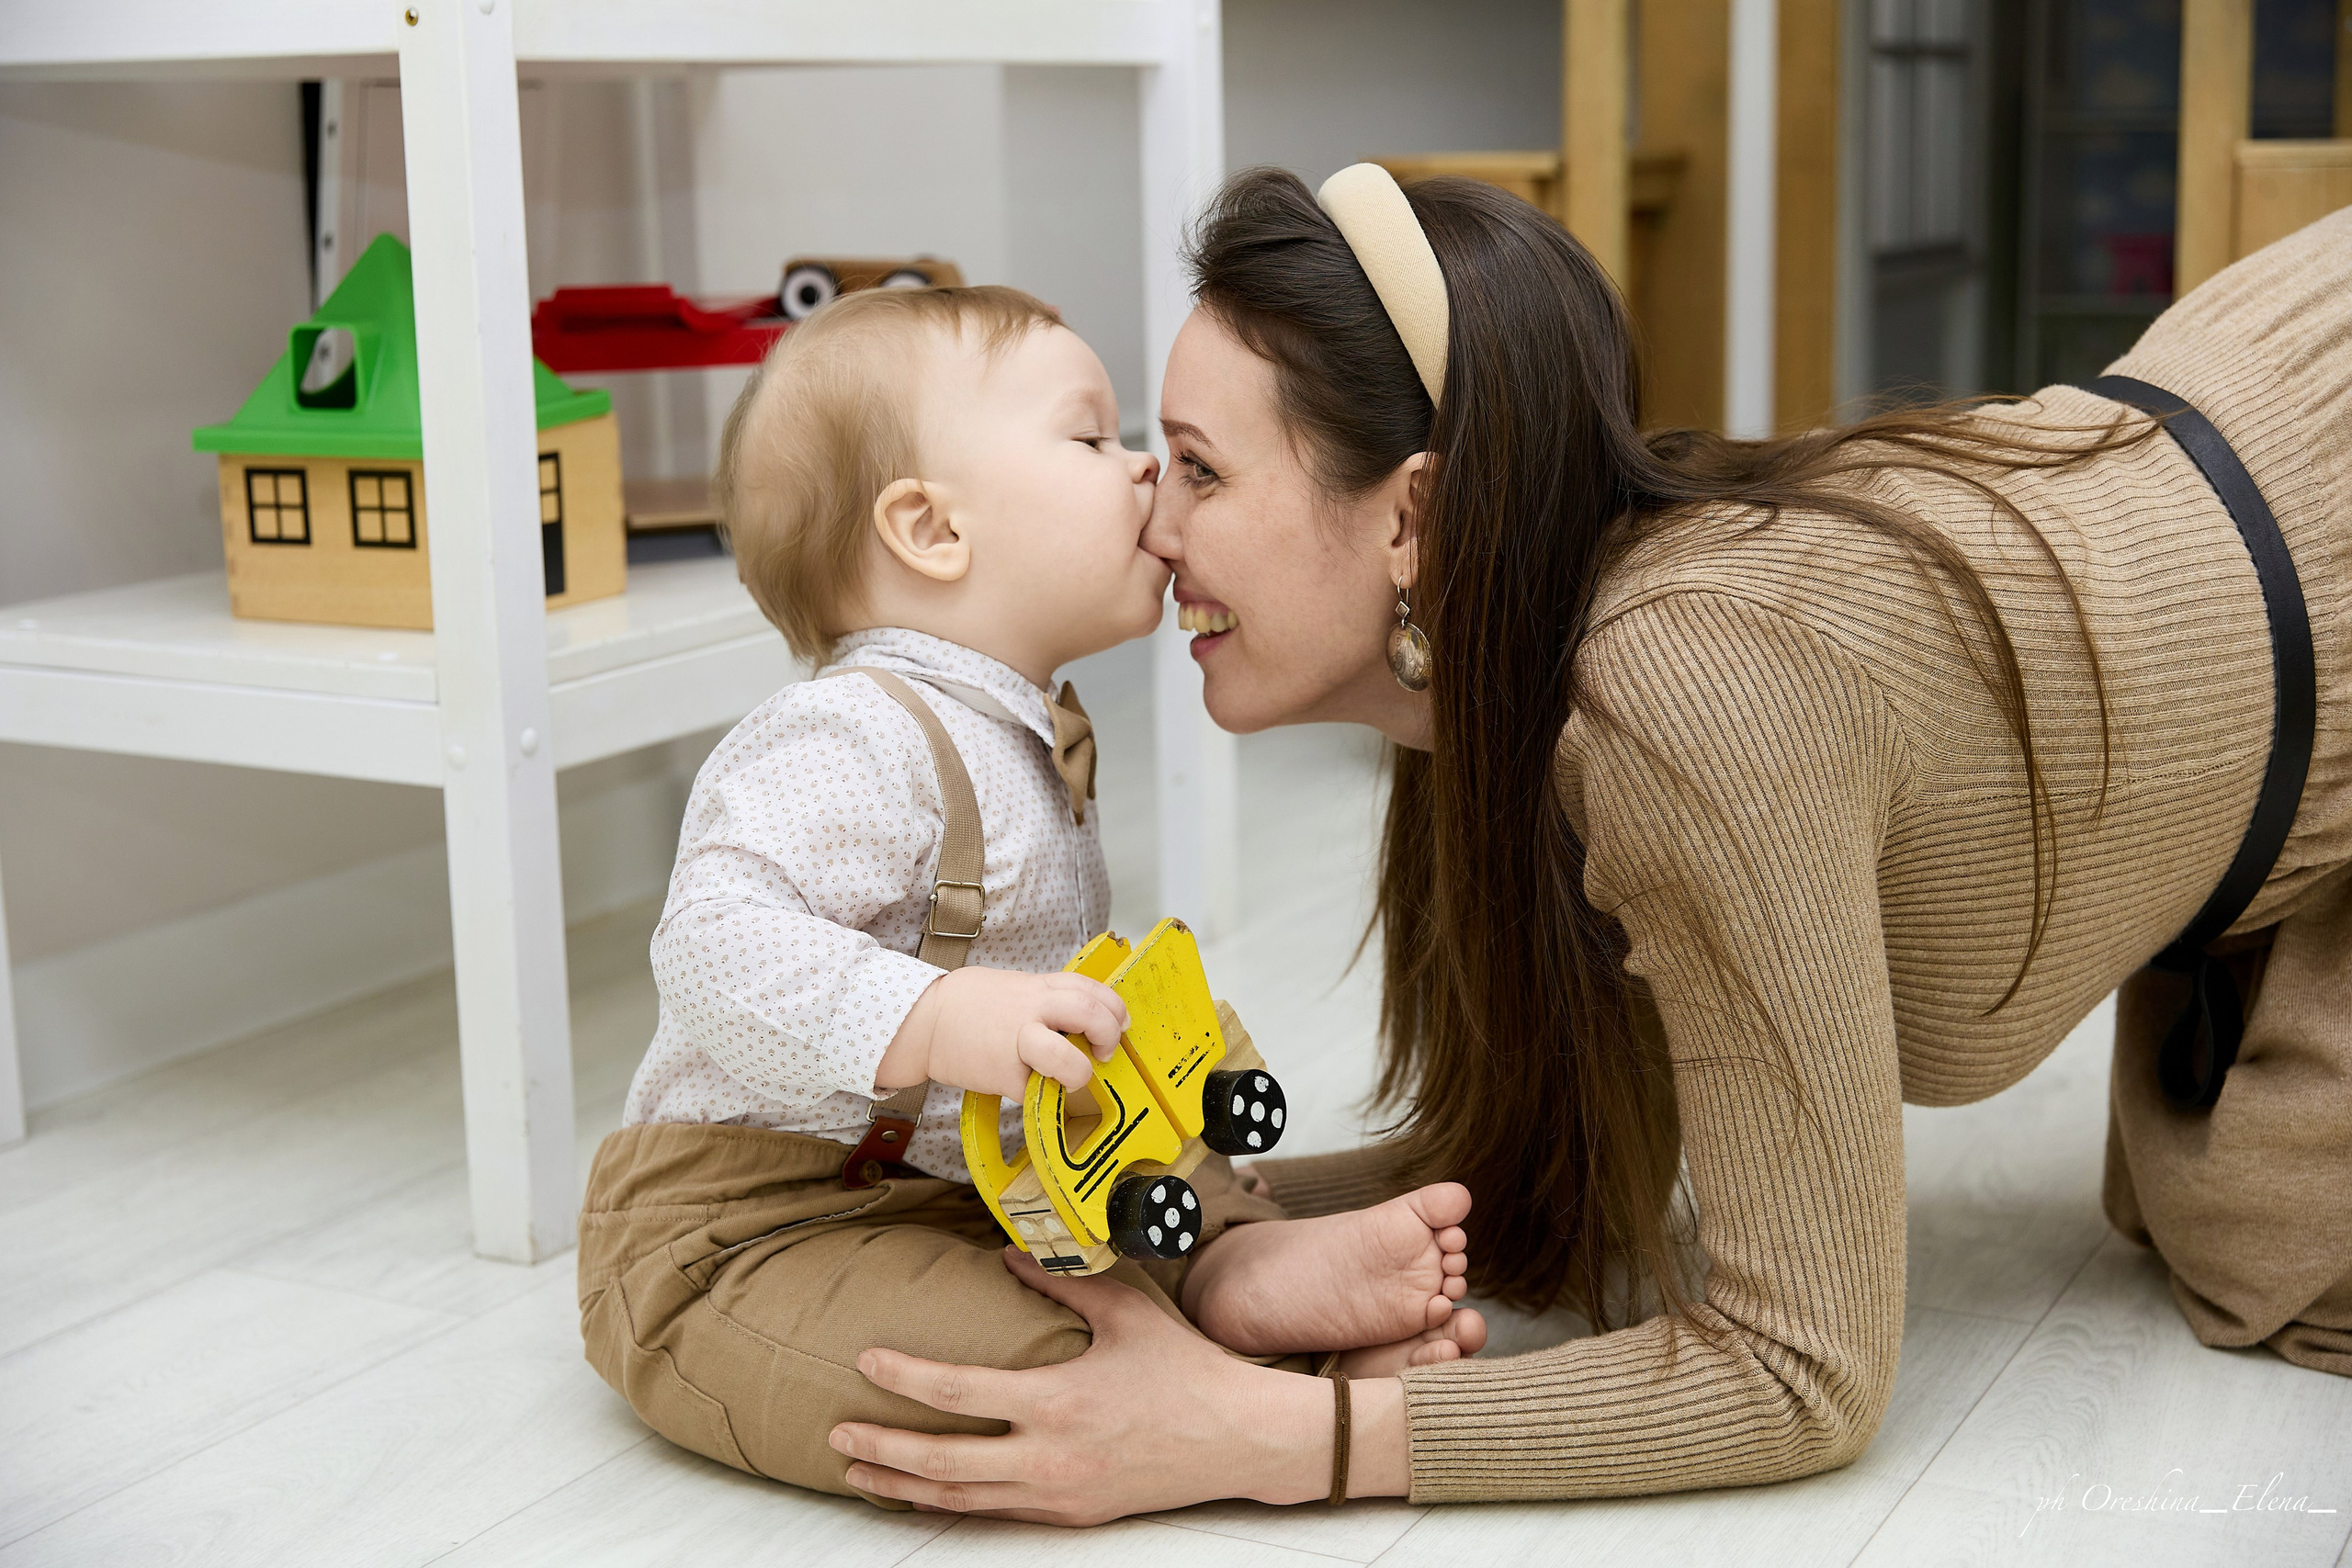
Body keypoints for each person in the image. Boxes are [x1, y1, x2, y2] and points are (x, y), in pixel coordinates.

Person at [821, 170, 2350, 1523]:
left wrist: (1265, 1440)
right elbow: (1539, 1181)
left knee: (2259, 1256)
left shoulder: (1691, 703)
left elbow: (1804, 1370)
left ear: (1412, 518)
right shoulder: (1503, 666)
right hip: (2235, 448)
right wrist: (1146, 1230)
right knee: (2233, 1215)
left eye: (1202, 470)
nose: (1155, 532)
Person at [575, 282, 1481, 1504]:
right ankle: (1238, 1358)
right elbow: (711, 947)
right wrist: (937, 1018)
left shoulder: (1024, 730)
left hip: (970, 1193)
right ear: (932, 529)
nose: (1143, 467)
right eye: (1091, 436)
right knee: (1035, 1372)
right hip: (754, 1230)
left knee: (1153, 1165)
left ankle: (1230, 1271)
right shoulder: (849, 733)